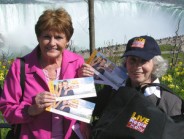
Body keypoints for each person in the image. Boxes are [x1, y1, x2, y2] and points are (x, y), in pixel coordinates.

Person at [0, 7, 94, 139]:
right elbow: (7, 109)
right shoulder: (20, 67)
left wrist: (91, 81)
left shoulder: (77, 63)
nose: (52, 43)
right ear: (38, 37)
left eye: (58, 37)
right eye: (46, 37)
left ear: (67, 40)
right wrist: (31, 110)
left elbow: (86, 102)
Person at [92, 35, 183, 125]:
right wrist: (85, 80)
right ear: (126, 63)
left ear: (155, 64)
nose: (137, 67)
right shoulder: (113, 90)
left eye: (144, 61)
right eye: (132, 60)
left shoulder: (170, 102)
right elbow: (89, 108)